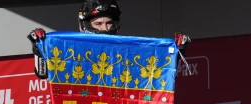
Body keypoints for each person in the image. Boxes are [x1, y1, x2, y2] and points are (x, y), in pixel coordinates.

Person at [27, 0, 191, 79]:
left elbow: (159, 75)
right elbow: (43, 73)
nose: (104, 29)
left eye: (109, 23)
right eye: (98, 24)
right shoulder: (71, 48)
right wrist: (38, 47)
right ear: (85, 25)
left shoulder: (128, 50)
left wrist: (177, 52)